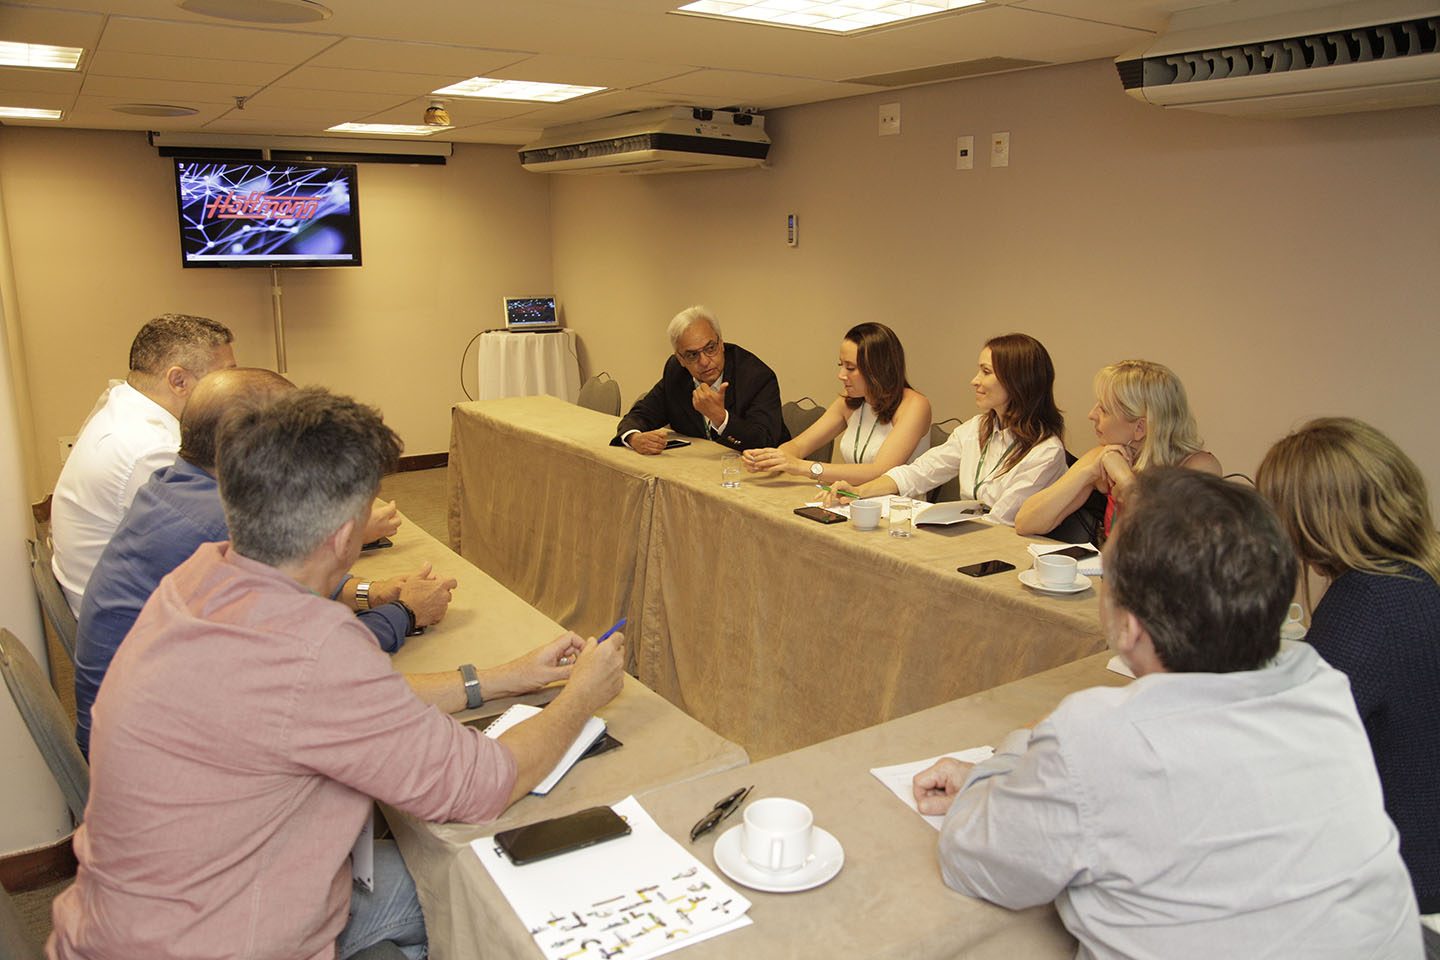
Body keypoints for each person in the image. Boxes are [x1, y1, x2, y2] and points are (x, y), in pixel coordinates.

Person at [48, 387, 626, 960]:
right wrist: (580, 697)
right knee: (493, 887)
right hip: (220, 936)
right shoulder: (313, 646)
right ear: (346, 534)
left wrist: (501, 678)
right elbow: (481, 785)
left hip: (129, 920)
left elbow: (348, 701)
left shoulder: (198, 576)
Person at [912, 469, 1421, 959]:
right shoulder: (1319, 684)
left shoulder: (1096, 737)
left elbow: (973, 860)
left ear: (1129, 626)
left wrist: (1010, 756)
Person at [71, 368, 457, 758]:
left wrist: (370, 593)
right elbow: (314, 665)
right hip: (168, 751)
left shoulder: (177, 484)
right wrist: (405, 612)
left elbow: (290, 615)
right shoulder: (219, 525)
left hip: (140, 729)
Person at [1257, 417, 1440, 946]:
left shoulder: (1368, 602)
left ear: (1309, 519)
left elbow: (1286, 745)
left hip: (1405, 882)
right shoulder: (1416, 572)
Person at [50, 313, 236, 612]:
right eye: (224, 376)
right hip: (129, 621)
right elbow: (217, 540)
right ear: (178, 381)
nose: (232, 387)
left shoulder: (123, 403)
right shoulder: (152, 449)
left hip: (107, 598)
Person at [823, 333, 1066, 525]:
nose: (975, 380)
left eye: (986, 372)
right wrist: (858, 492)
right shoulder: (977, 428)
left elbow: (1001, 520)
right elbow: (920, 472)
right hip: (971, 537)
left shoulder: (1045, 452)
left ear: (1018, 382)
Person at [1014, 359, 1220, 538]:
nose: (1091, 415)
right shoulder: (1104, 455)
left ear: (1140, 428)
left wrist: (1124, 479)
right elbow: (1026, 523)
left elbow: (1166, 541)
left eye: (1104, 409)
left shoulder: (1199, 467)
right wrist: (1088, 472)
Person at [741, 322, 931, 484]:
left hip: (899, 509)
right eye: (841, 365)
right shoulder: (850, 401)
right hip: (854, 499)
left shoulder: (915, 405)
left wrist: (803, 467)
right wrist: (769, 458)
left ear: (878, 369)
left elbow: (880, 471)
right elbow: (798, 446)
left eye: (851, 368)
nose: (841, 375)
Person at [612, 305, 788, 452]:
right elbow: (641, 414)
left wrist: (720, 418)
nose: (704, 361)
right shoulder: (676, 372)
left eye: (710, 348)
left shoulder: (756, 377)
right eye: (692, 355)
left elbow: (765, 441)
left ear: (721, 344)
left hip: (761, 472)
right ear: (680, 359)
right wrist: (634, 438)